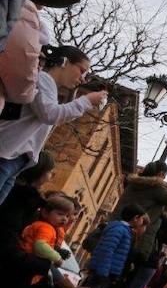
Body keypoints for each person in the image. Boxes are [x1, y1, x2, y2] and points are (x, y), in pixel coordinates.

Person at [0, 44, 105, 204]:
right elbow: (51, 114)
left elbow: (54, 115)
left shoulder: (47, 84)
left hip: (12, 156)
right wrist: (86, 101)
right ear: (64, 62)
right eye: (82, 70)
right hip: (6, 154)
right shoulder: (43, 79)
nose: (83, 78)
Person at [67, 205, 147, 288]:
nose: (142, 223)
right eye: (142, 220)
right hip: (104, 270)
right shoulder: (119, 230)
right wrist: (104, 271)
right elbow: (107, 249)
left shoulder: (122, 230)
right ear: (136, 218)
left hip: (108, 271)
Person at [0, 151, 55, 288]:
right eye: (49, 171)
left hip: (12, 247)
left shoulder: (26, 197)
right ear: (39, 172)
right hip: (9, 249)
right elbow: (8, 233)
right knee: (30, 267)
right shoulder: (21, 198)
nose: (51, 176)